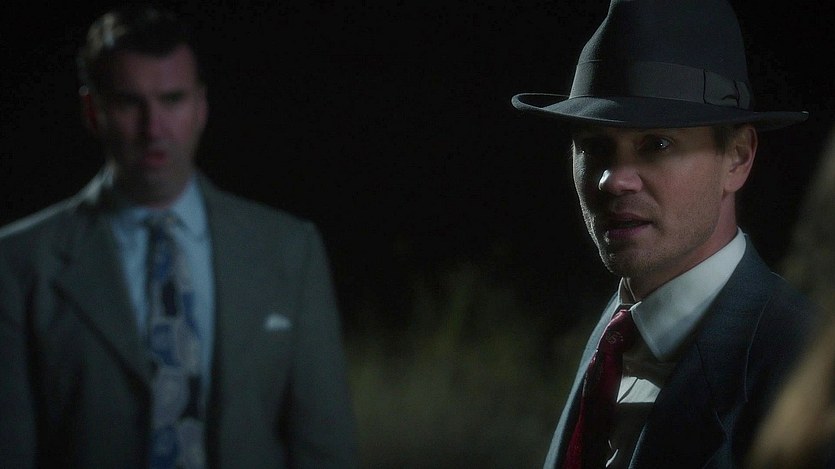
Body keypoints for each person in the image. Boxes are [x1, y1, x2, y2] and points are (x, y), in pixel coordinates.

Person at [0, 5, 357, 468]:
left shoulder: (288, 250)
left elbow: (325, 445)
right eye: (129, 103)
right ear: (93, 111)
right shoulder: (22, 263)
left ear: (201, 107)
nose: (154, 129)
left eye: (172, 100)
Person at [509, 0, 821, 467]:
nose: (613, 180)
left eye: (656, 144)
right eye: (594, 146)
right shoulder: (618, 331)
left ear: (737, 157)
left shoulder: (801, 367)